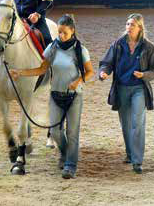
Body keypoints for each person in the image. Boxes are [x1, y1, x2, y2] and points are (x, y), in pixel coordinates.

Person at [9, 14, 94, 179]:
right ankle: (65, 152)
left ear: (73, 31)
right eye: (60, 32)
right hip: (55, 95)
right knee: (55, 132)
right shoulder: (52, 48)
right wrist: (20, 73)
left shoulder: (80, 49)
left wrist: (77, 82)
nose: (61, 36)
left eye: (65, 33)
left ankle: (70, 165)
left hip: (74, 97)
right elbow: (41, 69)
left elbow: (90, 72)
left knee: (72, 133)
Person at [99, 13, 154, 174]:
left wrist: (144, 75)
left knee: (138, 123)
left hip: (139, 89)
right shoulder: (117, 45)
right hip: (121, 88)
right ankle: (129, 153)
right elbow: (106, 63)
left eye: (132, 25)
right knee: (126, 124)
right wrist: (104, 72)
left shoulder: (148, 47)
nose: (129, 27)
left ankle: (137, 161)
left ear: (140, 28)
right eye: (127, 24)